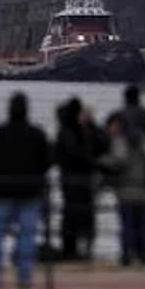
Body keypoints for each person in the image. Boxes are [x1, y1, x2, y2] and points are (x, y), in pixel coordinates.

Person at [0, 92, 52, 289]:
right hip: (30, 191)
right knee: (27, 236)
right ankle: (24, 277)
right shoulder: (37, 134)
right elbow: (47, 161)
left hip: (2, 191)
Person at [101, 112, 145, 266]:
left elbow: (119, 161)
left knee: (127, 226)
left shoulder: (120, 140)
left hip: (126, 189)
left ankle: (127, 256)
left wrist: (102, 160)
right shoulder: (144, 139)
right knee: (144, 226)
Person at [55, 97, 109, 261]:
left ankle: (78, 250)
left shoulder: (78, 130)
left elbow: (103, 143)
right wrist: (92, 162)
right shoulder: (69, 131)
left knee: (77, 216)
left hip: (77, 180)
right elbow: (75, 153)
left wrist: (90, 125)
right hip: (75, 180)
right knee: (76, 216)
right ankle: (73, 250)